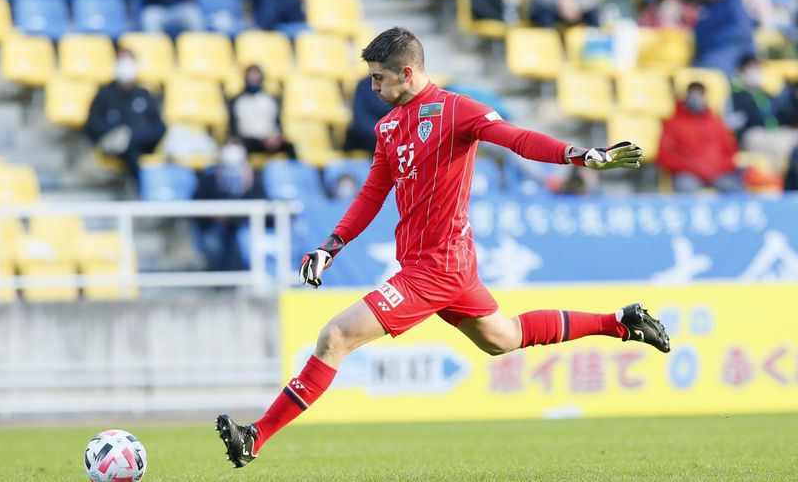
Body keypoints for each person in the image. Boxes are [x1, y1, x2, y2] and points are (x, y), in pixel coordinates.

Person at [215, 27, 670, 468]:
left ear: (408, 72)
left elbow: (517, 138)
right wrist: (330, 246)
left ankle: (258, 435)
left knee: (334, 337)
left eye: (379, 77)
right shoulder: (390, 127)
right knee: (503, 338)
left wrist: (579, 155)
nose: (372, 87)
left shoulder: (457, 110)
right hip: (435, 265)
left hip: (437, 267)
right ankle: (622, 322)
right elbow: (373, 193)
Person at [85, 48, 166, 182]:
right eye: (121, 61)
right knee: (129, 146)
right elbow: (93, 124)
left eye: (128, 62)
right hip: (117, 146)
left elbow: (158, 125)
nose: (125, 67)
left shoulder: (143, 94)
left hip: (144, 143)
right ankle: (137, 187)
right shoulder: (104, 94)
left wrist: (136, 135)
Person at [192, 139, 266, 271]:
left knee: (245, 239)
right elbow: (196, 206)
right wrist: (213, 214)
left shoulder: (253, 177)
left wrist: (248, 187)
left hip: (243, 225)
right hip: (214, 226)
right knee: (213, 242)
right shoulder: (209, 177)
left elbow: (264, 209)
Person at [657, 82, 744, 193]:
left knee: (735, 189)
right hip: (688, 174)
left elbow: (730, 150)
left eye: (700, 94)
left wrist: (718, 169)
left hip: (717, 173)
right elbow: (665, 154)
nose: (697, 98)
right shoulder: (673, 124)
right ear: (686, 97)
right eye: (693, 95)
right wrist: (694, 168)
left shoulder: (716, 123)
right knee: (686, 186)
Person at [726, 55, 798, 171]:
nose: (755, 73)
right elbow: (736, 120)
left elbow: (779, 115)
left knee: (797, 138)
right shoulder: (735, 94)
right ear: (741, 71)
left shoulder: (764, 93)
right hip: (751, 134)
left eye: (758, 68)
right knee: (777, 147)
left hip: (772, 132)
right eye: (751, 68)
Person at [228, 65, 296, 160]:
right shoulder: (237, 101)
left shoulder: (270, 100)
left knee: (290, 147)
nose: (253, 79)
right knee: (234, 151)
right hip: (247, 140)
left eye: (256, 75)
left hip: (269, 140)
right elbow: (233, 129)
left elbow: (277, 124)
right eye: (251, 76)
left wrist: (276, 138)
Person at [692, 0, 756, 77]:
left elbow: (741, 31)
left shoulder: (731, 0)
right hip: (710, 52)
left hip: (722, 52)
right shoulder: (708, 4)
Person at [344, 76, 392, 153]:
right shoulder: (364, 85)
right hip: (367, 143)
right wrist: (384, 134)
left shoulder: (400, 86)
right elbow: (361, 120)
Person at [529, 0, 604, 27]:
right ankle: (550, 50)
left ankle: (592, 48)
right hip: (552, 7)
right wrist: (561, 2)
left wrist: (576, 4)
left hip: (577, 7)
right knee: (543, 15)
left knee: (594, 14)